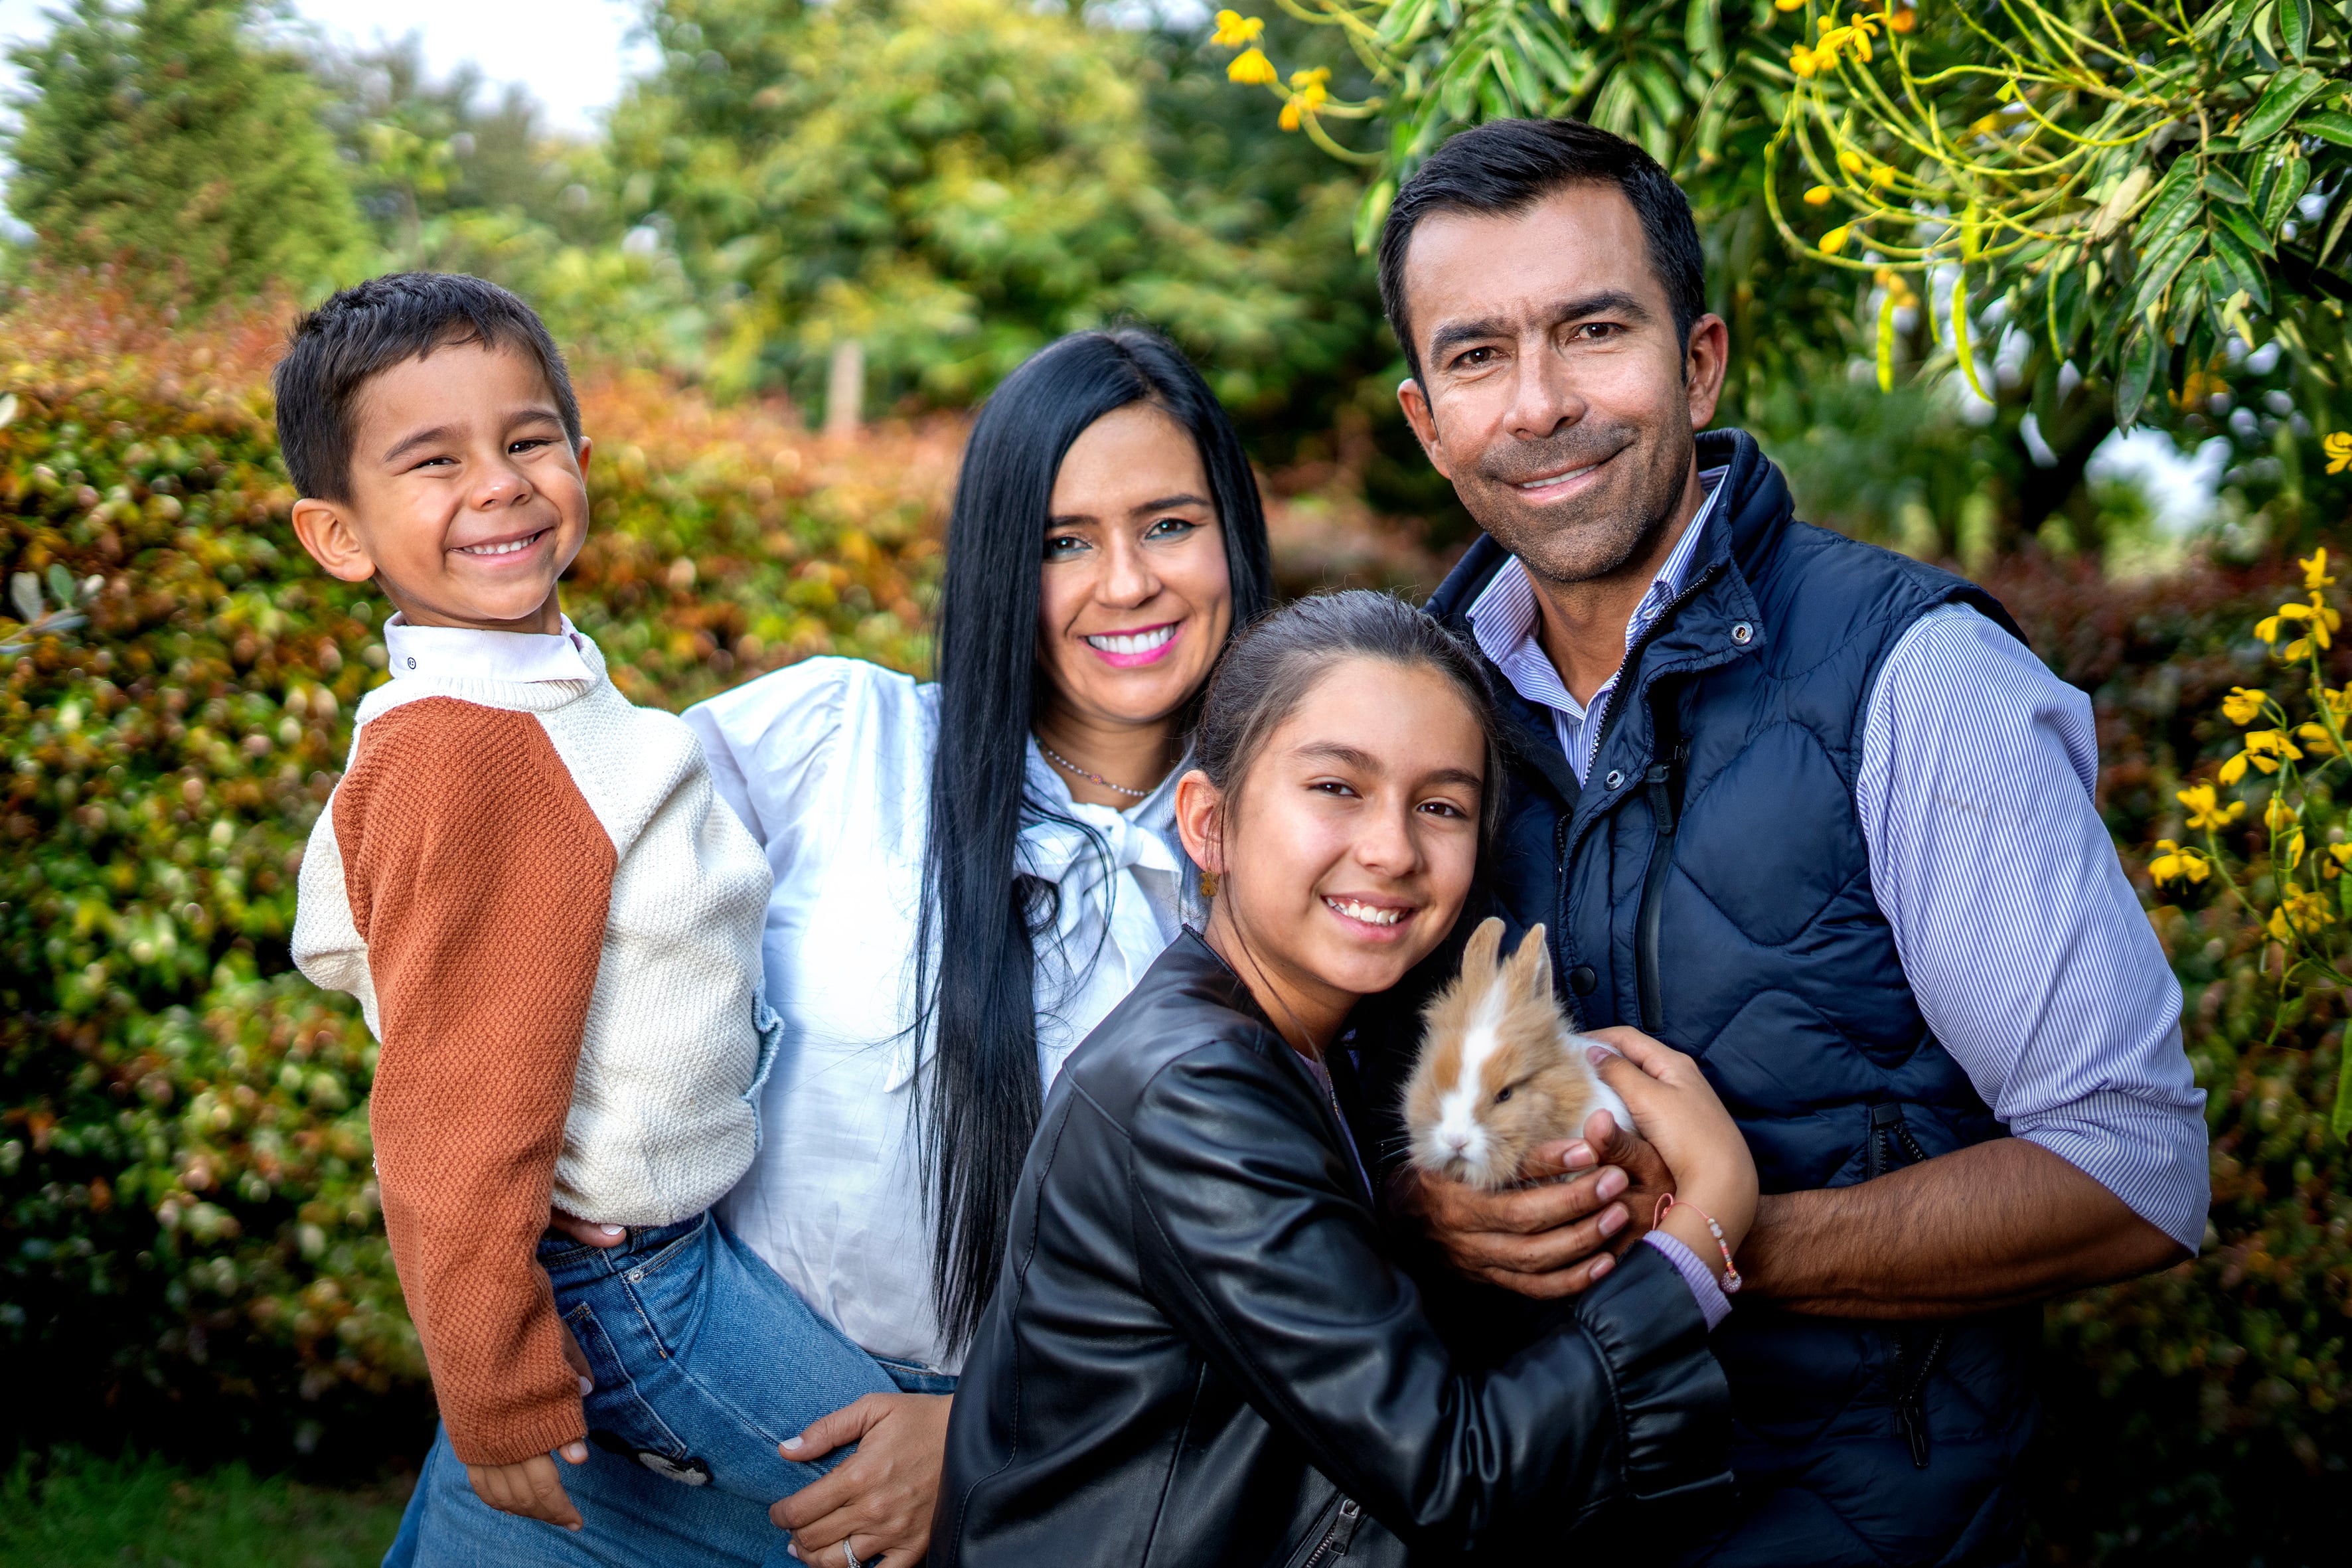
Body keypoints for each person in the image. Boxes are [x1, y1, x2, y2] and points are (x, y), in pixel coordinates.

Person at [1363, 118, 2210, 1565]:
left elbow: (2131, 1173)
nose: (1540, 401)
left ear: (1698, 361)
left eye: (1591, 328)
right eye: (1476, 354)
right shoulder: (1399, 721)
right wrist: (1423, 1213)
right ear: (1424, 417)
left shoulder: (1912, 676)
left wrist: (1714, 1239)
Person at [493, 325, 1279, 1567]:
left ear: (1235, 530)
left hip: (962, 1494)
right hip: (633, 1428)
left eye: (1170, 524)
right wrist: (533, 1155)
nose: (1125, 582)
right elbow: (539, 884)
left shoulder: (1295, 859)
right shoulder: (834, 740)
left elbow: (1294, 1277)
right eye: (1061, 542)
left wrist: (983, 1434)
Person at [934, 589, 1755, 1565]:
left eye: (1441, 805)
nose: (1392, 849)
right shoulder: (1194, 1091)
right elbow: (1461, 1474)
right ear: (1209, 823)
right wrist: (1708, 1226)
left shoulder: (1320, 1052)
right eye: (1336, 788)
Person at [280, 273, 900, 1563]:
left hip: (650, 1256)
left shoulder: (533, 694)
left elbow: (351, 927)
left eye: (525, 440)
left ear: (579, 460)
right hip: (639, 1285)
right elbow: (447, 1102)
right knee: (936, 1494)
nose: (498, 482)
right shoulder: (468, 748)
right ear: (341, 536)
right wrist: (497, 1387)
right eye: (432, 461)